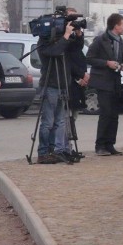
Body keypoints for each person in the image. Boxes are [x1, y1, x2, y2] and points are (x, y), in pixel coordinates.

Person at [86, 13, 123, 156]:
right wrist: (106, 63)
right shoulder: (100, 40)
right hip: (102, 81)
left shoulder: (120, 41)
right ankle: (100, 145)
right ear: (115, 26)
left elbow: (121, 58)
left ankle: (110, 144)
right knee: (106, 113)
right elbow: (89, 58)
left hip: (115, 81)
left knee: (114, 114)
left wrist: (121, 65)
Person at [36, 21, 75, 165]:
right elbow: (55, 51)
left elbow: (74, 48)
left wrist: (76, 34)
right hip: (50, 85)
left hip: (62, 85)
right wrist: (65, 35)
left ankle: (55, 150)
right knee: (48, 122)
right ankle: (43, 152)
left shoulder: (60, 41)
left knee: (60, 121)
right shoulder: (44, 43)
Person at [61, 7, 89, 161]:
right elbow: (68, 60)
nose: (74, 21)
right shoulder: (62, 37)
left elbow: (78, 48)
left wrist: (78, 32)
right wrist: (80, 75)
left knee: (74, 116)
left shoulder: (72, 36)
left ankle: (70, 147)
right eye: (71, 18)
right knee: (66, 118)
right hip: (69, 82)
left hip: (78, 83)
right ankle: (65, 147)